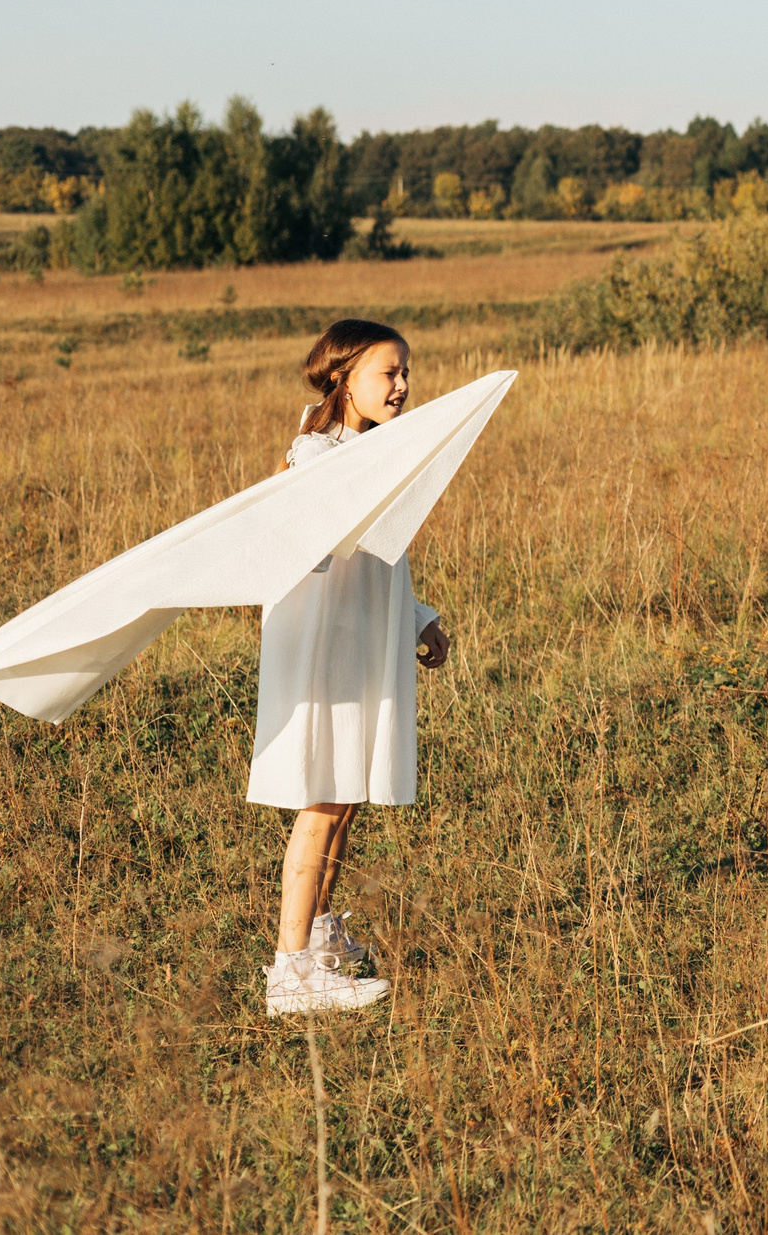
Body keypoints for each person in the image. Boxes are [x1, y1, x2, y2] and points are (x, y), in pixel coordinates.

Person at [252, 320, 455, 1016]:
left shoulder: (369, 450)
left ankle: (319, 935)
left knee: (347, 797)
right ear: (345, 379)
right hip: (323, 648)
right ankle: (289, 970)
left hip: (363, 639)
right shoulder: (315, 454)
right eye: (387, 373)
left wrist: (420, 615)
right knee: (321, 801)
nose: (401, 385)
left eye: (405, 372)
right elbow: (296, 551)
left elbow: (378, 558)